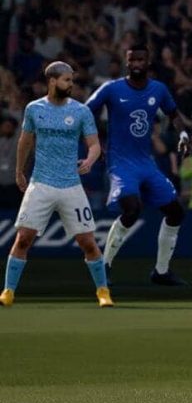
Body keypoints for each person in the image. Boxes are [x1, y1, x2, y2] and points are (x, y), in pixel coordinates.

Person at [2, 62, 111, 308]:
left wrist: (90, 161)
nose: (71, 84)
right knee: (23, 239)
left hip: (71, 185)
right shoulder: (34, 109)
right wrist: (19, 171)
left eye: (72, 80)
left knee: (88, 242)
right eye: (66, 80)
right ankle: (8, 291)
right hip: (40, 183)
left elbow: (94, 145)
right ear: (52, 81)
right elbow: (25, 141)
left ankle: (103, 290)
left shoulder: (81, 111)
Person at [87, 45, 192, 285]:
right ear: (126, 62)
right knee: (132, 209)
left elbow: (173, 113)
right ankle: (103, 267)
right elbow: (85, 112)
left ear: (148, 62)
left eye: (140, 59)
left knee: (176, 212)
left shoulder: (159, 89)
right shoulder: (111, 88)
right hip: (120, 163)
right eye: (132, 60)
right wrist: (94, 143)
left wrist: (183, 135)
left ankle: (161, 272)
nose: (136, 63)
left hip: (146, 162)